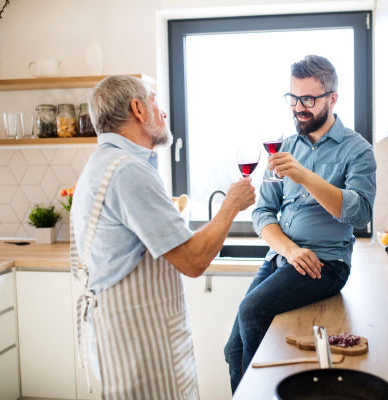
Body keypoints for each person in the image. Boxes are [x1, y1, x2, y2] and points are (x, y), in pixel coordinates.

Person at [71, 75, 255, 400]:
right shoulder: (128, 170)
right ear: (138, 109)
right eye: (155, 100)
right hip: (141, 342)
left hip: (128, 333)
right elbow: (193, 260)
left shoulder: (101, 164)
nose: (163, 111)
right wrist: (231, 205)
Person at [224, 55, 377, 392]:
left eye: (308, 99)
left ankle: (261, 394)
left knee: (252, 312)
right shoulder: (285, 147)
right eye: (293, 98)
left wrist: (305, 175)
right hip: (285, 258)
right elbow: (263, 212)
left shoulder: (357, 150)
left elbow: (361, 213)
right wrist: (290, 250)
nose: (298, 108)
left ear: (332, 98)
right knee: (232, 349)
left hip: (327, 263)